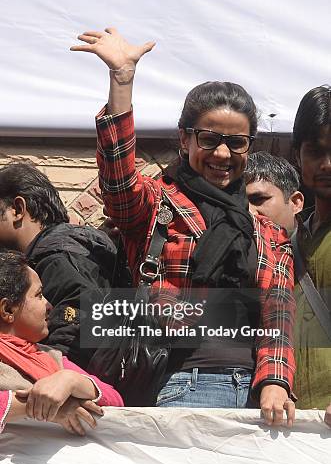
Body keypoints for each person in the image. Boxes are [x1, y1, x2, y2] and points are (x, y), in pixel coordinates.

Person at [71, 27, 296, 426]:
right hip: (183, 382)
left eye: (237, 142)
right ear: (185, 139)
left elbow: (276, 316)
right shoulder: (159, 204)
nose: (223, 153)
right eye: (209, 139)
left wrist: (276, 381)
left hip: (256, 397)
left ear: (249, 146)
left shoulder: (268, 232)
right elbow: (119, 184)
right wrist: (122, 81)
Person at [0, 163, 118, 369]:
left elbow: (77, 328)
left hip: (70, 388)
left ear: (18, 209)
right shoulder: (70, 248)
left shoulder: (57, 258)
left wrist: (50, 374)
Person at [0, 251, 123, 435]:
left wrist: (71, 380)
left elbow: (116, 402)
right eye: (39, 295)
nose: (49, 305)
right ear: (8, 309)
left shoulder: (51, 357)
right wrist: (43, 408)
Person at [292, 86, 331, 425]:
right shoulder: (292, 238)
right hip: (290, 428)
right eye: (316, 151)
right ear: (298, 157)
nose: (327, 164)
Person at [245, 152, 304, 234]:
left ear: (295, 203)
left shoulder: (320, 243)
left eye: (259, 199)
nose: (250, 212)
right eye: (241, 204)